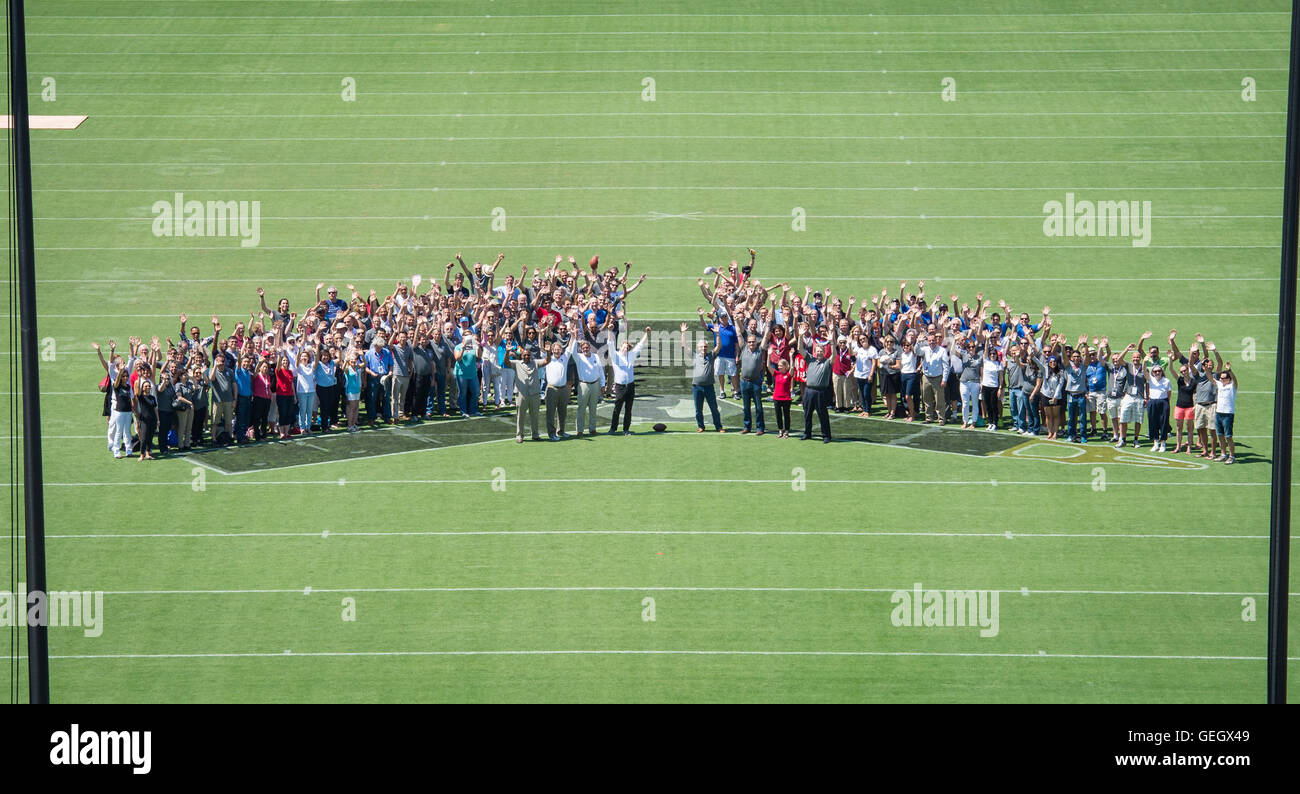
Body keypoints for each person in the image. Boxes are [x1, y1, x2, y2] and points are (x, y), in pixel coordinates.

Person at [682, 321, 723, 433]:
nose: (703, 348)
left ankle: (718, 426)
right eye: (701, 347)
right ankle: (701, 426)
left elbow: (719, 346)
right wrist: (683, 333)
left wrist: (717, 334)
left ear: (707, 347)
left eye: (705, 346)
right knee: (698, 410)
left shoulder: (711, 355)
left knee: (714, 408)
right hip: (697, 387)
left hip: (709, 387)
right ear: (698, 348)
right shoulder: (694, 355)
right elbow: (684, 346)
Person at [609, 326, 650, 436]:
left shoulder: (631, 355)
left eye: (627, 347)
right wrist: (609, 331)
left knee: (628, 409)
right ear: (620, 347)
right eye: (623, 347)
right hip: (619, 386)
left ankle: (626, 429)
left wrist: (646, 333)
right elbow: (610, 344)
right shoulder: (615, 356)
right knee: (617, 408)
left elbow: (640, 345)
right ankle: (613, 429)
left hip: (630, 386)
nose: (625, 349)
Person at [543, 320, 578, 440]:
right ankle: (551, 433)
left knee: (563, 412)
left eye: (559, 349)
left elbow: (570, 346)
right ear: (552, 351)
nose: (557, 351)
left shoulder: (564, 357)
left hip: (563, 389)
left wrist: (573, 335)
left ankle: (561, 431)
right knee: (550, 413)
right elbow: (542, 348)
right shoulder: (548, 359)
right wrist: (541, 333)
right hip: (551, 389)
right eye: (555, 349)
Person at [799, 330, 834, 443]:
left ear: (824, 352)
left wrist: (832, 342)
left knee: (823, 415)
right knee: (807, 413)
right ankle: (807, 433)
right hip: (809, 391)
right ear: (814, 352)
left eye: (821, 351)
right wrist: (800, 336)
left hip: (821, 392)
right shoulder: (810, 359)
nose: (819, 353)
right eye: (817, 351)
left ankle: (826, 436)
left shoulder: (827, 362)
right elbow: (800, 349)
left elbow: (835, 355)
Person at [572, 337, 605, 437]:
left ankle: (592, 429)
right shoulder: (578, 357)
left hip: (595, 384)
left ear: (590, 347)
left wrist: (603, 384)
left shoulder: (596, 356)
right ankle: (580, 430)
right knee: (581, 408)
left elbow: (600, 371)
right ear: (581, 349)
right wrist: (574, 339)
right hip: (584, 385)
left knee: (593, 408)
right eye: (583, 348)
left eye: (587, 347)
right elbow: (573, 352)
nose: (585, 349)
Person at [738, 330, 769, 435]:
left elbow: (765, 337)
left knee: (758, 407)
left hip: (756, 382)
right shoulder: (744, 348)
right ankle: (747, 426)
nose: (751, 343)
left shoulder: (760, 350)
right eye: (750, 342)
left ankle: (760, 428)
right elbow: (738, 334)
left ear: (756, 342)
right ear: (747, 342)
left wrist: (769, 324)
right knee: (746, 407)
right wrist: (736, 319)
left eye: (753, 342)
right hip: (744, 382)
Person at [508, 345, 542, 442]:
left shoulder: (535, 363)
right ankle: (519, 435)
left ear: (530, 356)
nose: (526, 356)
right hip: (521, 394)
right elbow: (506, 362)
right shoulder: (517, 363)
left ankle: (535, 434)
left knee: (535, 415)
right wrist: (507, 352)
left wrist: (548, 352)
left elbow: (546, 361)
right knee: (520, 415)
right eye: (525, 355)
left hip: (534, 393)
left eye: (528, 355)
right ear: (521, 356)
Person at [1213, 361, 1238, 464]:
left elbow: (1235, 380)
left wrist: (1229, 370)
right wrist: (1206, 369)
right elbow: (1211, 378)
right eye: (1220, 378)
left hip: (1228, 414)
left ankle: (1232, 456)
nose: (1221, 379)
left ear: (1228, 379)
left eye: (1223, 378)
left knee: (1228, 436)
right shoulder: (1220, 384)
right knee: (1220, 435)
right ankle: (1223, 454)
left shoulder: (1232, 386)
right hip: (1218, 413)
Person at [107, 368, 134, 459]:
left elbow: (129, 399)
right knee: (119, 431)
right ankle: (116, 451)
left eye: (127, 376)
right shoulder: (117, 386)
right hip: (119, 412)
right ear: (120, 377)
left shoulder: (128, 387)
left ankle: (129, 450)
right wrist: (120, 372)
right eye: (123, 376)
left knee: (127, 432)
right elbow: (116, 381)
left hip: (128, 411)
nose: (125, 378)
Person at [133, 376, 159, 461]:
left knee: (150, 437)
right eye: (146, 386)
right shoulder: (141, 397)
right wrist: (140, 378)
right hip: (144, 420)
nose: (148, 387)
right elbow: (138, 391)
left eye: (149, 386)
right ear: (143, 388)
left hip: (153, 420)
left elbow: (155, 409)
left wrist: (158, 419)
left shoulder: (152, 398)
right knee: (143, 438)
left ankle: (148, 453)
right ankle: (142, 454)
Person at [1147, 364, 1172, 452]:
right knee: (1153, 423)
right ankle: (1156, 443)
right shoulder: (1151, 379)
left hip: (1163, 402)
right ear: (1152, 373)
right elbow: (1143, 371)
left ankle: (1163, 443)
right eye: (1155, 371)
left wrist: (1165, 403)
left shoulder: (1166, 381)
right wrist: (1145, 362)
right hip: (1152, 402)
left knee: (1164, 423)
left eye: (1159, 371)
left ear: (1162, 372)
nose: (1157, 373)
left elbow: (1169, 394)